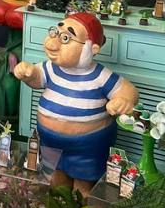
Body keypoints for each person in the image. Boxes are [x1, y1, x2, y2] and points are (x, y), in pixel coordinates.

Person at [13, 12, 138, 195]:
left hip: (87, 147)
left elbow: (127, 90)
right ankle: (57, 206)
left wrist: (123, 101)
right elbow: (37, 79)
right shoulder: (50, 68)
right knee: (55, 181)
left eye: (66, 38)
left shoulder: (101, 76)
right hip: (50, 142)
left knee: (83, 188)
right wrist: (28, 73)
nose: (52, 43)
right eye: (55, 33)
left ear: (92, 48)